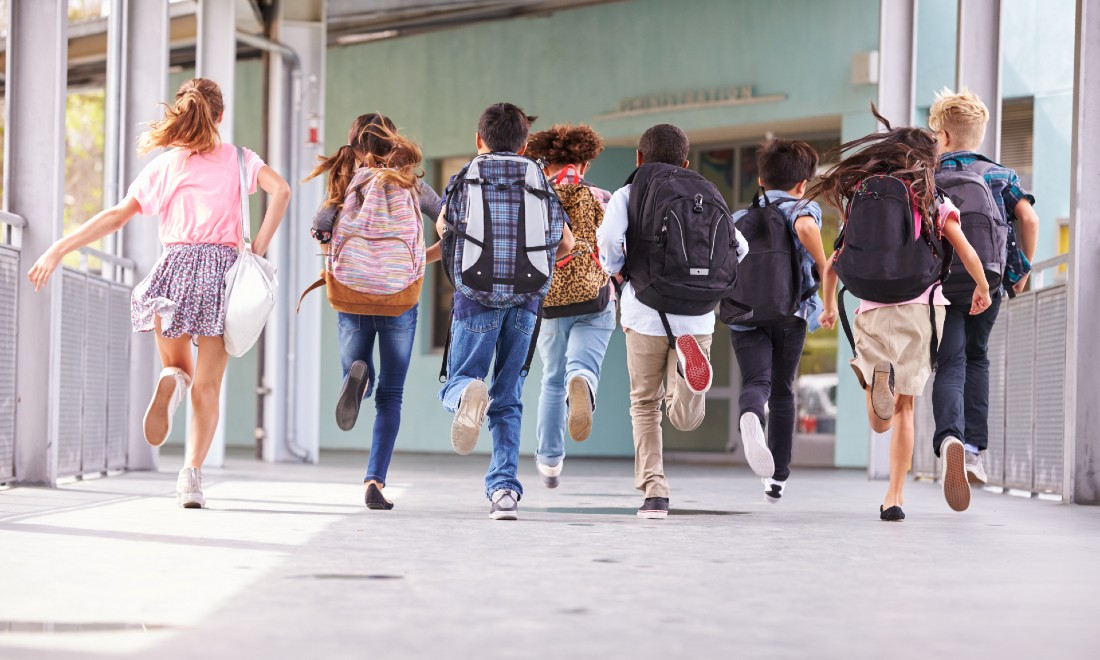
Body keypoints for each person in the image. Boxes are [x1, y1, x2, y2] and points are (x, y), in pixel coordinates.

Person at [27, 77, 290, 508]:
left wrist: (59, 247)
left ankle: (170, 380)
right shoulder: (240, 160)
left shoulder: (167, 166)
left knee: (178, 369)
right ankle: (191, 478)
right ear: (220, 116)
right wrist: (256, 248)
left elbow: (116, 216)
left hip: (172, 271)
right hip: (221, 277)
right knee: (207, 387)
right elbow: (280, 190)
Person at [814, 107, 991, 521]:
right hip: (921, 307)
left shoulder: (863, 195)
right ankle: (898, 495)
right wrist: (981, 287)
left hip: (871, 308)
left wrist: (825, 307)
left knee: (881, 418)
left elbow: (831, 265)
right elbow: (965, 249)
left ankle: (880, 391)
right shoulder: (933, 197)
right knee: (906, 407)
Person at [597, 123, 748, 519]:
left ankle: (655, 492)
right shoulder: (705, 190)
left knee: (645, 405)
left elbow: (609, 239)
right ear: (685, 160)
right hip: (697, 318)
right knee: (685, 418)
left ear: (638, 159)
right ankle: (688, 380)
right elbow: (740, 247)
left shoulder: (628, 193)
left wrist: (616, 270)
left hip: (645, 312)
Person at [434, 103, 574, 520]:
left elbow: (444, 228)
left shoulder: (466, 176)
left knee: (458, 381)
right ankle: (504, 493)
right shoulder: (539, 179)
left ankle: (465, 396)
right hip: (527, 301)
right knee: (508, 396)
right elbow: (564, 243)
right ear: (525, 143)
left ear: (479, 140)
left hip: (474, 297)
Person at [304, 113, 443, 510]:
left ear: (356, 149)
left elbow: (321, 230)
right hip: (400, 296)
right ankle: (375, 481)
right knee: (392, 396)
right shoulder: (412, 183)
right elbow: (450, 220)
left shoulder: (345, 183)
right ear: (393, 144)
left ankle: (357, 380)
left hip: (352, 293)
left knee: (356, 368)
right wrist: (425, 256)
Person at [928, 88, 1040, 503]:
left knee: (949, 363)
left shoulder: (928, 176)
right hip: (987, 283)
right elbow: (1029, 217)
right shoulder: (1001, 175)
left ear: (942, 136)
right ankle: (973, 452)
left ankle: (950, 438)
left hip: (940, 283)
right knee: (978, 358)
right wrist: (1021, 268)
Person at [726, 139, 827, 502]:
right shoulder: (803, 207)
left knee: (757, 381)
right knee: (784, 390)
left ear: (760, 180)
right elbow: (805, 230)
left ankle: (752, 414)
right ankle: (777, 478)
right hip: (790, 312)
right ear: (802, 183)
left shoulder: (738, 218)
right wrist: (824, 264)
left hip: (745, 312)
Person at [524, 124, 615, 488]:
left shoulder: (535, 197)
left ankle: (549, 461)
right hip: (593, 297)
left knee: (551, 379)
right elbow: (615, 249)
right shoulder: (600, 196)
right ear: (585, 161)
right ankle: (584, 382)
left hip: (549, 302)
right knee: (582, 366)